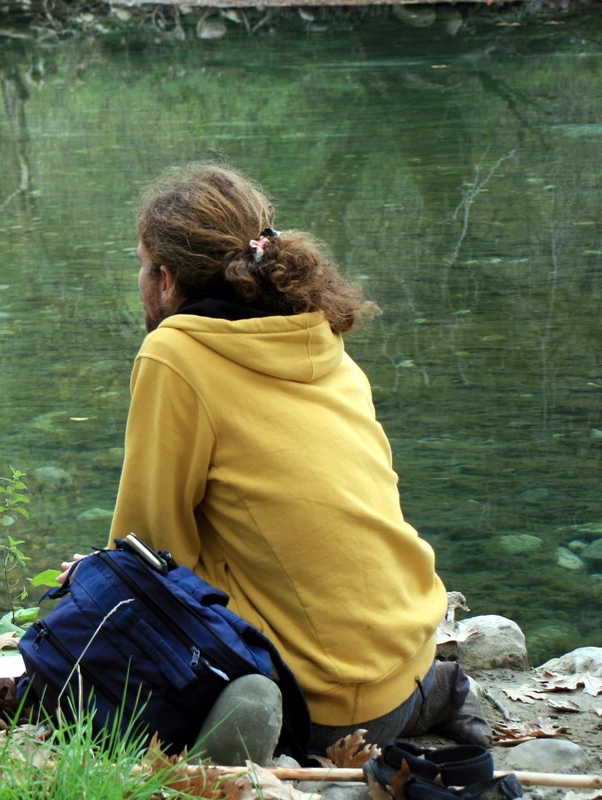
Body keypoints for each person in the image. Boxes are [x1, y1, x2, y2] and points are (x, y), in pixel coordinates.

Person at [69, 163, 488, 762]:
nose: (140, 280)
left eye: (140, 264)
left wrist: (94, 575)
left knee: (105, 628)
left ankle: (254, 729)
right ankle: (432, 695)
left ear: (164, 278)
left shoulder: (176, 353)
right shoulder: (319, 331)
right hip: (410, 653)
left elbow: (148, 548)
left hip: (320, 704)